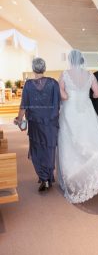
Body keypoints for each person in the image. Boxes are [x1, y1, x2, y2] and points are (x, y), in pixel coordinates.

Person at [57, 49, 98, 202]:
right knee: (89, 137)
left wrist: (68, 96)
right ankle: (91, 173)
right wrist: (87, 97)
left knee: (69, 142)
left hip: (69, 111)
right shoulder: (90, 74)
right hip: (86, 109)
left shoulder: (65, 74)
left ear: (70, 60)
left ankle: (73, 178)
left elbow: (62, 94)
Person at [14, 58, 60, 191]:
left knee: (36, 150)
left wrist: (19, 119)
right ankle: (48, 176)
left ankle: (44, 177)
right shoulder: (53, 83)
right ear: (44, 68)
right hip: (50, 122)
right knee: (49, 149)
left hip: (35, 123)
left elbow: (24, 105)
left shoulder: (28, 85)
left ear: (33, 69)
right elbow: (59, 103)